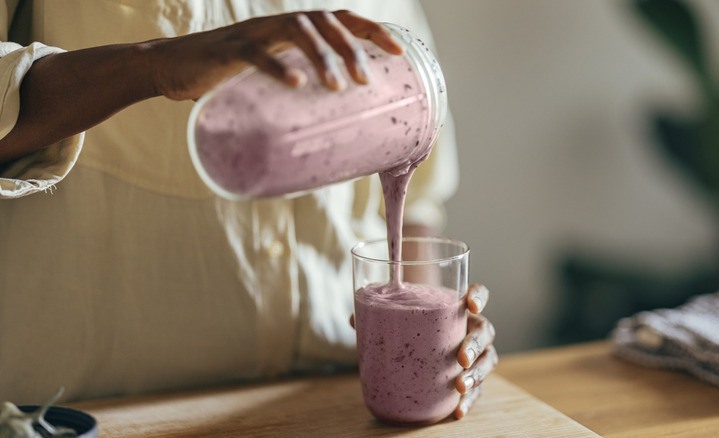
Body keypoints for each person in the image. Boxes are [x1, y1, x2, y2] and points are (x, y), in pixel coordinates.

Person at [0, 1, 497, 419]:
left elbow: (420, 192)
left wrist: (433, 345)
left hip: (334, 409)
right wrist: (154, 63)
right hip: (95, 415)